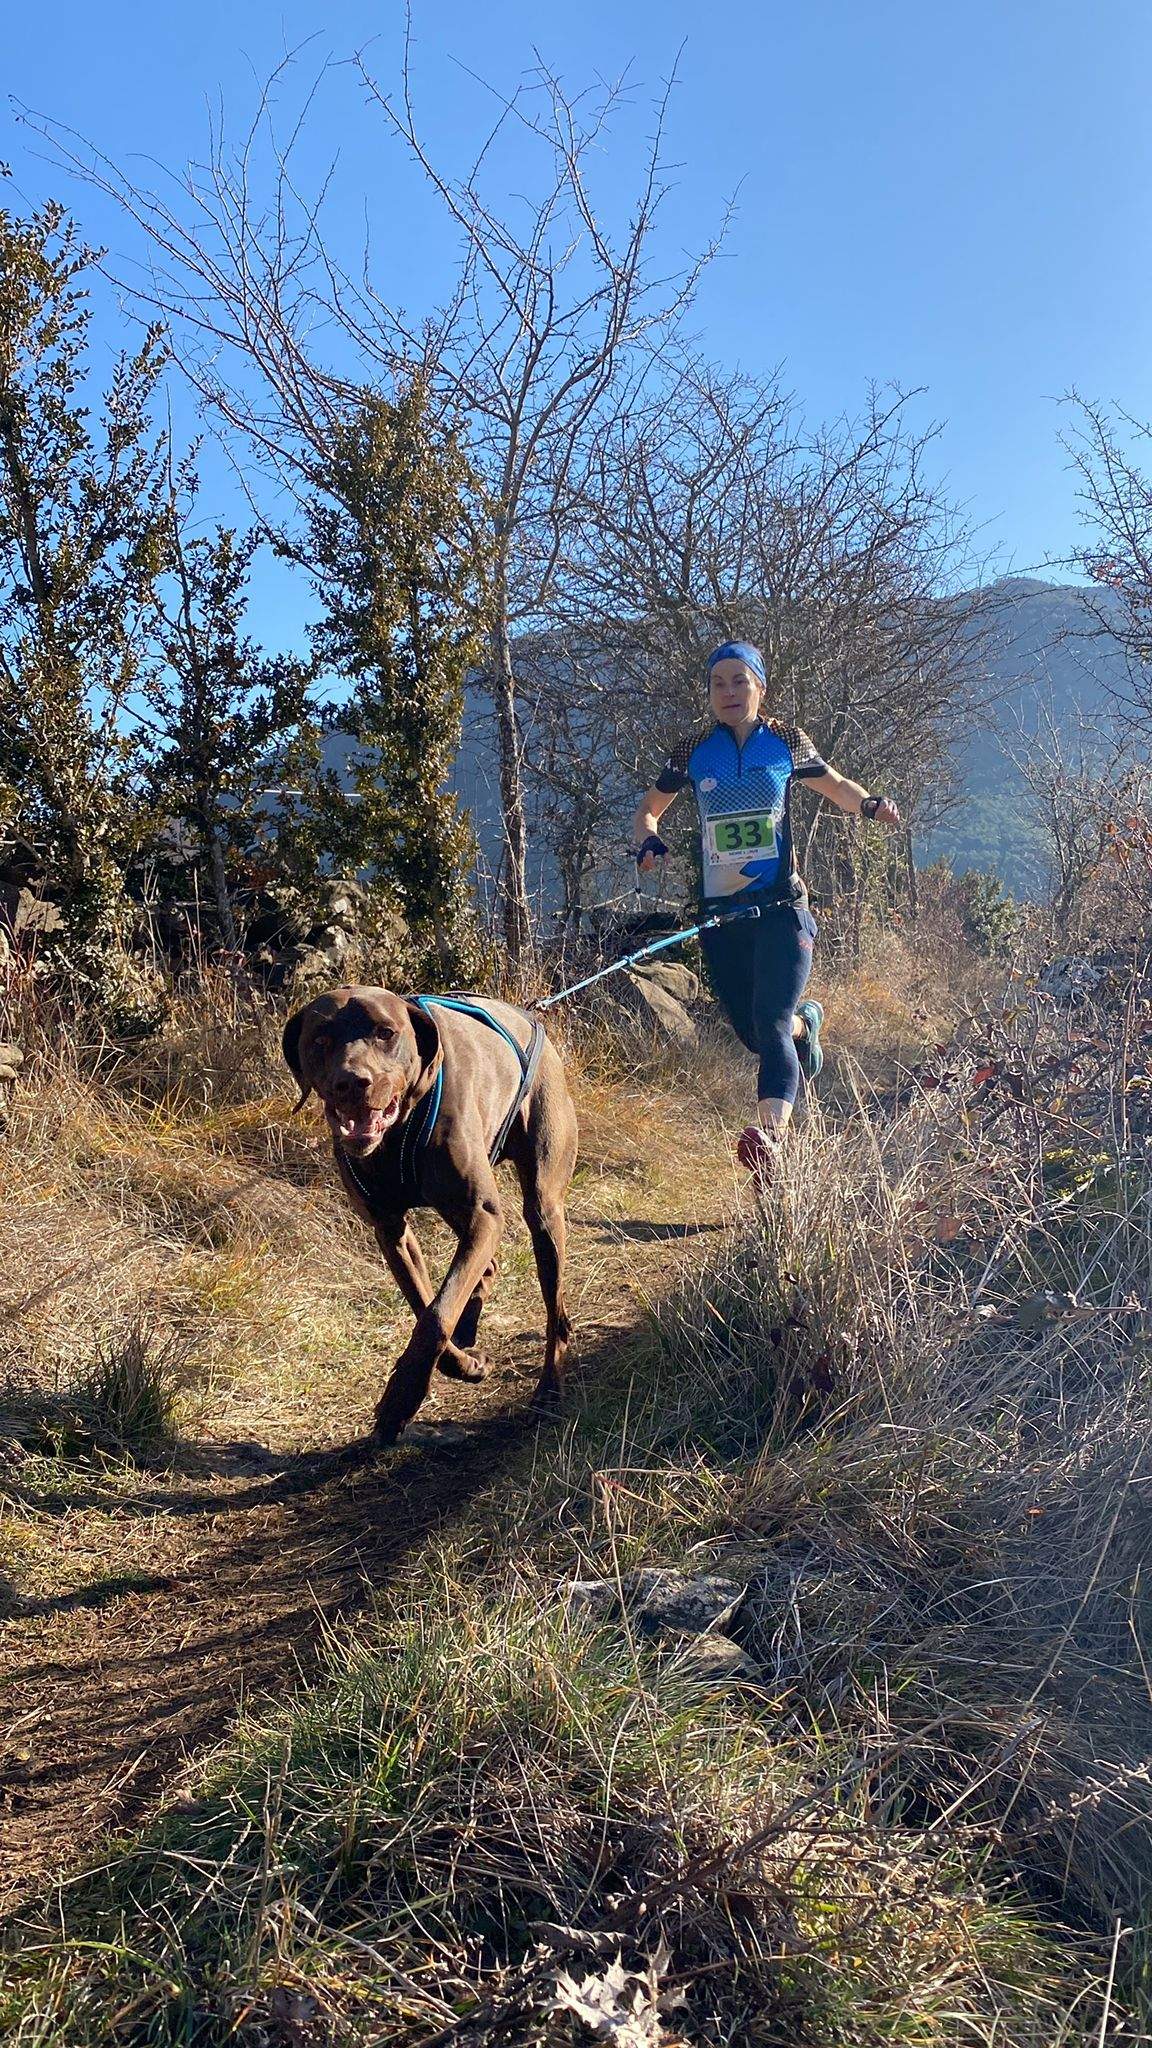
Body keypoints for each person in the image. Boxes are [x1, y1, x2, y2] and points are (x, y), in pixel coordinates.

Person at [631, 640, 900, 1176]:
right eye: (718, 683)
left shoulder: (784, 740)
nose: (729, 692)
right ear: (709, 692)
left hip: (781, 908)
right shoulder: (692, 750)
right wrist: (649, 840)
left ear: (760, 688)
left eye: (740, 681)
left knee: (770, 1021)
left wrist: (868, 804)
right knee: (756, 1034)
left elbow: (837, 786)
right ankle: (808, 1026)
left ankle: (770, 1143)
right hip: (720, 917)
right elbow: (649, 810)